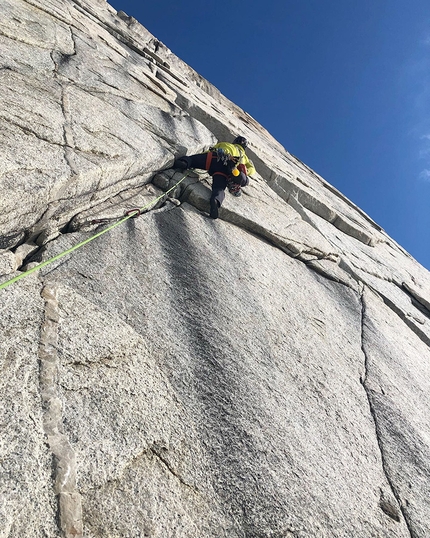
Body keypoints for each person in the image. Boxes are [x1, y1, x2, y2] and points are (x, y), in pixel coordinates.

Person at [173, 136, 256, 219]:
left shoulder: (225, 144)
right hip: (225, 169)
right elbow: (252, 170)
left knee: (193, 160)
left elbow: (207, 152)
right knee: (219, 187)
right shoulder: (244, 157)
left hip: (214, 158)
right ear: (244, 147)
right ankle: (216, 200)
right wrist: (247, 172)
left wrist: (196, 161)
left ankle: (184, 162)